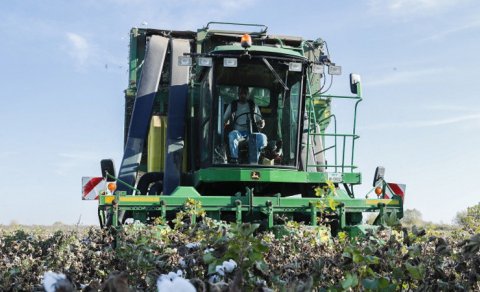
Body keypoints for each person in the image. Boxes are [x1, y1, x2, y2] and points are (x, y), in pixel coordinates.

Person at [223, 86, 267, 164]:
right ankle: (234, 159)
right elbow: (223, 120)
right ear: (238, 94)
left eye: (245, 93)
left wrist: (262, 123)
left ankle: (255, 160)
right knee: (232, 135)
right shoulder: (233, 105)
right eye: (241, 93)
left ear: (248, 94)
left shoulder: (253, 105)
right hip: (238, 133)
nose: (243, 95)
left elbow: (260, 121)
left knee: (262, 137)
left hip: (251, 133)